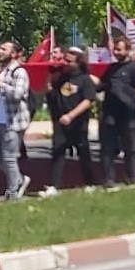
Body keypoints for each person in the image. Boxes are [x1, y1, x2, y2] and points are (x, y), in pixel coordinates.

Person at [42, 47, 96, 196]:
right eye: (64, 60)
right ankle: (54, 185)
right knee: (58, 151)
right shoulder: (60, 77)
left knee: (83, 151)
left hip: (78, 122)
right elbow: (51, 94)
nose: (65, 63)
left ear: (78, 63)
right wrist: (49, 78)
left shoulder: (84, 79)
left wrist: (71, 115)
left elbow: (88, 100)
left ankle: (89, 182)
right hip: (61, 121)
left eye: (69, 61)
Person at [0, 41, 31, 200]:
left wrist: (0, 84)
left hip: (13, 121)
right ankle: (20, 179)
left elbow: (17, 95)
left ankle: (13, 192)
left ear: (14, 53)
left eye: (4, 49)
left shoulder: (19, 72)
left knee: (9, 157)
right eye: (0, 48)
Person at [96, 36, 135, 189]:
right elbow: (101, 84)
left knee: (130, 148)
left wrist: (126, 94)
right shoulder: (111, 68)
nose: (116, 52)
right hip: (110, 113)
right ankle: (108, 180)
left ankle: (131, 178)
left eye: (119, 49)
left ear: (127, 50)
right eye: (115, 49)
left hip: (128, 115)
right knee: (107, 148)